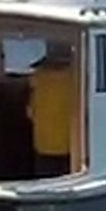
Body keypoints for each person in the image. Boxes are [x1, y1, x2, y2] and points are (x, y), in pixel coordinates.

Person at [27, 42, 74, 178]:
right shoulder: (75, 76)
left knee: (44, 180)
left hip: (43, 146)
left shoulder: (37, 77)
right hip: (69, 147)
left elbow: (30, 112)